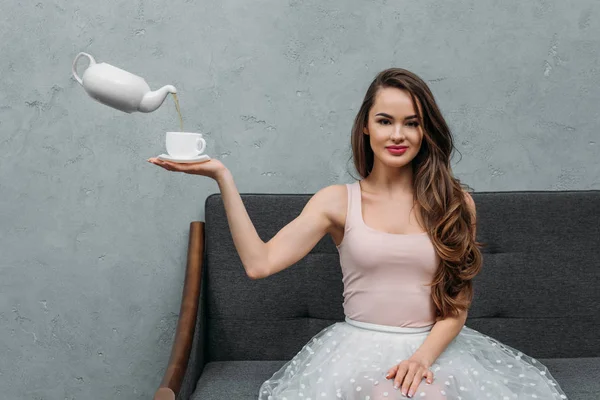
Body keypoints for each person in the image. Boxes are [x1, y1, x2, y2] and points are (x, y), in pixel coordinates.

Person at [148, 68, 568, 400]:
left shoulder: (455, 203)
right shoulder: (336, 201)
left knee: (429, 393)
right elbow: (260, 264)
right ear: (366, 127)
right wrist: (222, 176)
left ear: (426, 132)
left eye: (412, 123)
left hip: (433, 350)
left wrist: (421, 359)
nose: (398, 135)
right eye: (385, 121)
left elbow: (456, 307)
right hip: (356, 351)